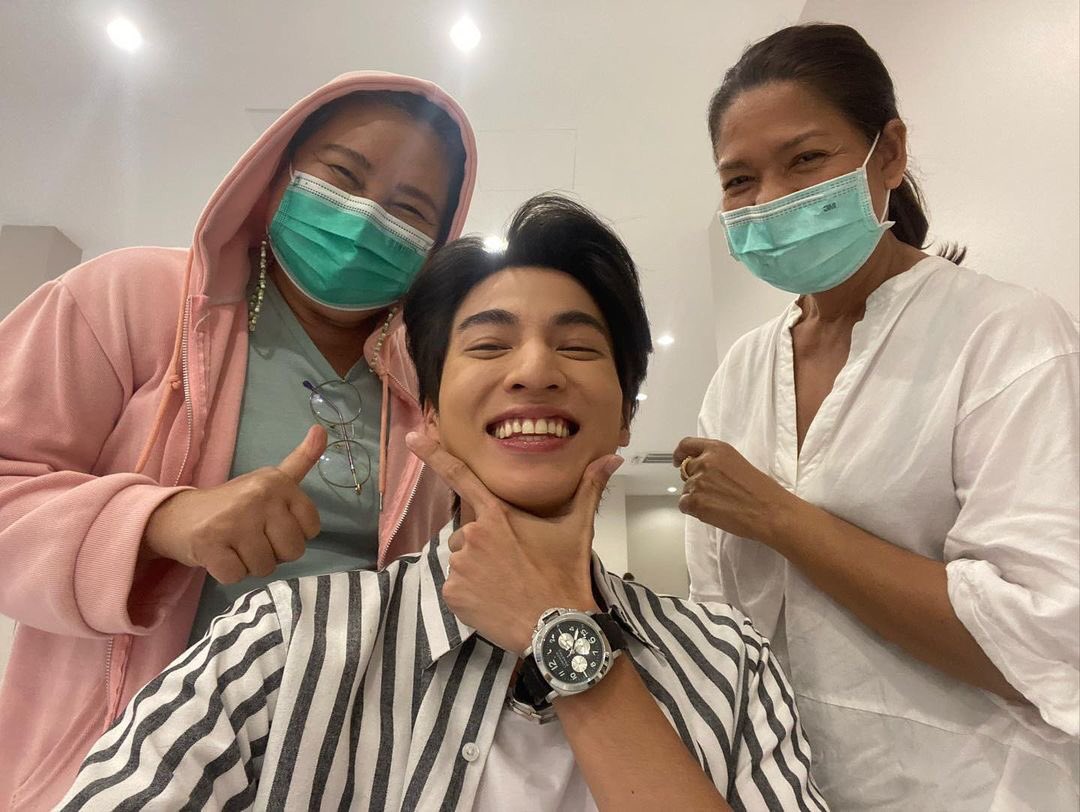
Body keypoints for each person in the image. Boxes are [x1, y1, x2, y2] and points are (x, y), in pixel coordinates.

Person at [58, 194, 826, 811]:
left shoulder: (727, 662)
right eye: (489, 345)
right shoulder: (286, 642)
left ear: (625, 412)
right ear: (427, 411)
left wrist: (560, 632)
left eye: (578, 346)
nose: (535, 370)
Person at [0, 72, 476, 810]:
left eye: (409, 210)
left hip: (343, 775)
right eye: (343, 176)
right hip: (123, 770)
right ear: (277, 172)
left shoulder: (435, 390)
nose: (365, 220)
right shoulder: (130, 299)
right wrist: (161, 521)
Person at [679, 22, 1079, 810]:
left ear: (888, 154)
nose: (771, 200)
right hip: (783, 789)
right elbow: (719, 621)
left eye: (804, 160)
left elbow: (1047, 639)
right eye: (739, 179)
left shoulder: (1007, 336)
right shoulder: (740, 376)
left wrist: (782, 519)